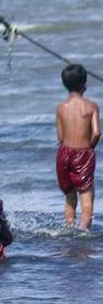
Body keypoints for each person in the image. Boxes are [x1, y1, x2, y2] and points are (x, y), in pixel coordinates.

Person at [55, 63, 100, 230]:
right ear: (85, 84)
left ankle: (69, 229)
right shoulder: (91, 106)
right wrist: (90, 147)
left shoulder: (61, 108)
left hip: (64, 153)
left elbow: (60, 137)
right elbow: (96, 132)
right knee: (87, 195)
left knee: (70, 195)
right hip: (83, 153)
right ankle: (84, 231)